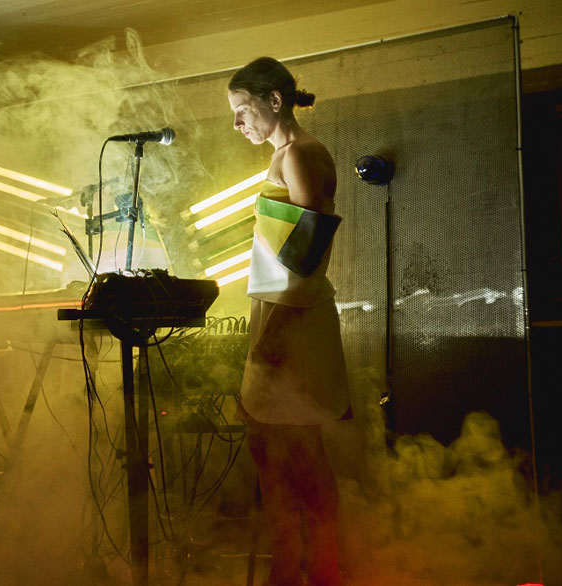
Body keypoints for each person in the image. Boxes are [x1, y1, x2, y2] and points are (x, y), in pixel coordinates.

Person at [229, 57, 351, 586]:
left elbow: (307, 255)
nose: (237, 123)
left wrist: (273, 335)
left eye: (242, 109)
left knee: (301, 450)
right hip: (280, 316)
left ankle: (321, 571)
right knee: (269, 447)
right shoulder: (286, 155)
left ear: (273, 101)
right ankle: (289, 566)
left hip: (293, 323)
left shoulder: (300, 154)